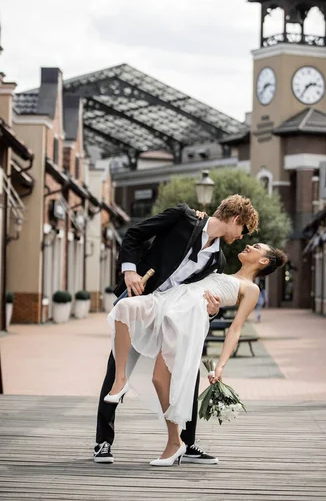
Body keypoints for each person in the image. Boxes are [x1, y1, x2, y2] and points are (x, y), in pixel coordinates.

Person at [94, 195, 259, 465]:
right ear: (236, 219)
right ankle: (103, 442)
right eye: (243, 230)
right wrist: (129, 271)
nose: (241, 237)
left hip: (175, 318)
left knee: (189, 372)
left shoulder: (218, 260)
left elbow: (201, 296)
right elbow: (134, 234)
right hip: (143, 303)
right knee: (116, 372)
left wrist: (212, 309)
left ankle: (187, 443)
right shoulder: (183, 217)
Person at [107, 242, 287, 466]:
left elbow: (236, 328)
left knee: (159, 379)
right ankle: (121, 379)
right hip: (171, 302)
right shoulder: (221, 272)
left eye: (257, 246)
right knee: (123, 309)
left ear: (264, 261)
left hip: (186, 320)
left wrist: (220, 366)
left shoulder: (251, 289)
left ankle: (174, 442)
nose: (249, 245)